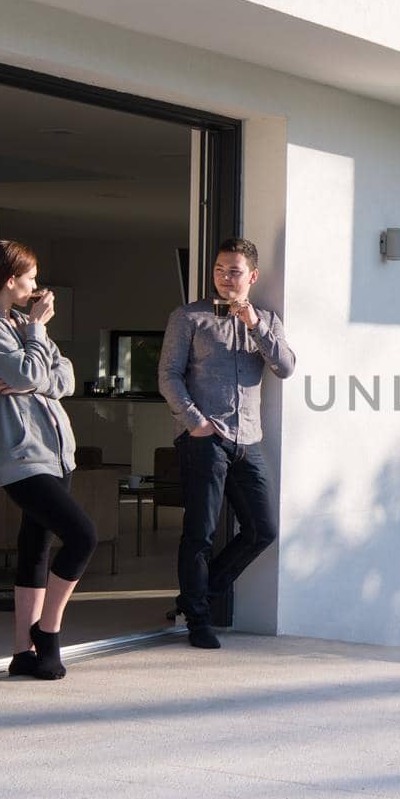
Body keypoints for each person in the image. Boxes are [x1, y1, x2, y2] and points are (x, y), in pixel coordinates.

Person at [158, 238, 295, 648]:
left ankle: (197, 595)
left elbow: (285, 367)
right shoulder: (189, 318)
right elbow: (168, 376)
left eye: (233, 271)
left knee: (263, 529)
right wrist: (196, 423)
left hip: (248, 438)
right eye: (219, 270)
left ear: (251, 276)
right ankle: (199, 620)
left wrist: (254, 324)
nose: (224, 278)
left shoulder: (266, 320)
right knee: (199, 531)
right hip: (205, 439)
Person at [0, 240, 97, 679]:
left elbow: (64, 376)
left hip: (57, 451)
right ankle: (49, 632)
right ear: (11, 280)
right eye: (31, 277)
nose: (36, 286)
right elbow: (26, 372)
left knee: (36, 546)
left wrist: (32, 374)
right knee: (83, 536)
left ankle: (22, 653)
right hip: (21, 454)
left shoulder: (24, 323)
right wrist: (36, 345)